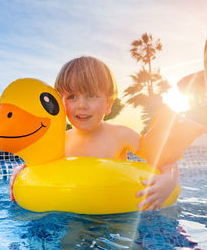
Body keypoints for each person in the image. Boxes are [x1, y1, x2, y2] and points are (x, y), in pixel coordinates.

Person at [10, 56, 178, 211]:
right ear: (60, 103)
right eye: (72, 97)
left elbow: (164, 158)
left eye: (91, 95)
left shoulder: (121, 135)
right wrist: (22, 170)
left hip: (114, 213)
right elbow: (41, 168)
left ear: (108, 103)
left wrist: (169, 180)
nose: (81, 105)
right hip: (73, 209)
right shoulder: (60, 140)